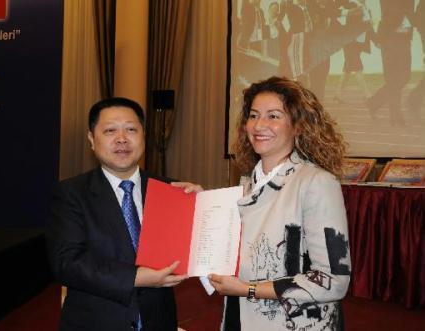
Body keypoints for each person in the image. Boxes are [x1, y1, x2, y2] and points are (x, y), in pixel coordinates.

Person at [209, 76, 351, 330]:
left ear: (298, 126)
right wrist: (200, 204)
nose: (259, 125)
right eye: (253, 116)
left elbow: (333, 279)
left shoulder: (316, 182)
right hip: (239, 313)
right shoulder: (245, 185)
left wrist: (249, 289)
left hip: (295, 322)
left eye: (273, 116)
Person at [46, 97, 188, 330]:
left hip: (158, 321)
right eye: (110, 130)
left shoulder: (170, 190)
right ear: (92, 139)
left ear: (143, 136)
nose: (122, 139)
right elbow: (67, 263)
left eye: (131, 129)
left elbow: (194, 250)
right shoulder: (71, 193)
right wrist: (136, 277)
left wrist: (203, 206)